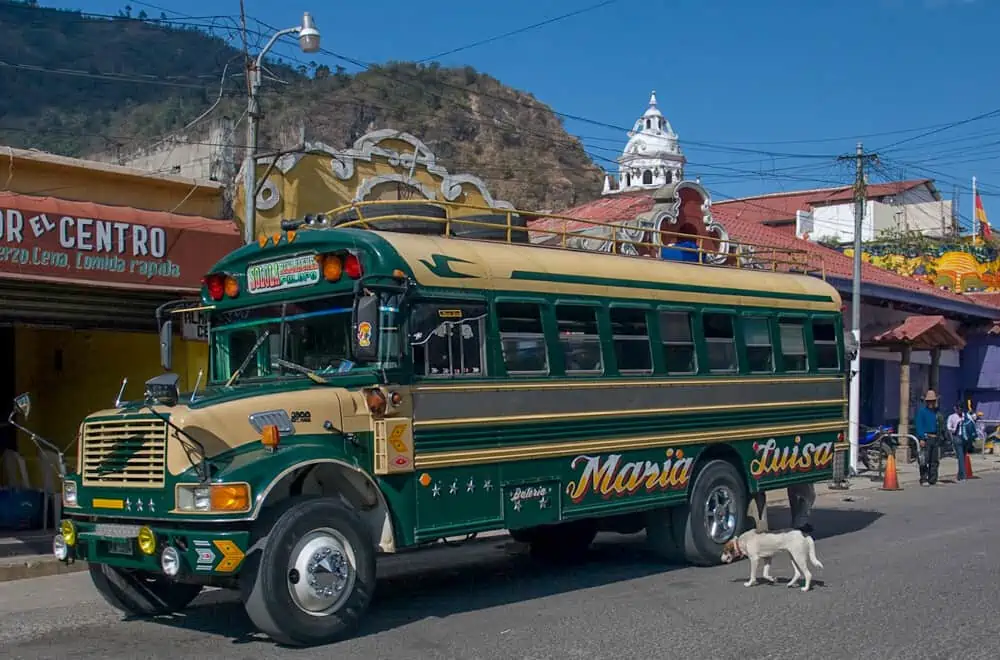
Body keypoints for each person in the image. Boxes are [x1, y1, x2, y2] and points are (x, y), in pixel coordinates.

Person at [914, 390, 943, 485]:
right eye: (929, 401)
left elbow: (941, 424)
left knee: (934, 460)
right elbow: (919, 425)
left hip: (935, 437)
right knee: (924, 460)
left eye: (933, 401)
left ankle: (933, 479)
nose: (931, 403)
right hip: (926, 437)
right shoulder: (922, 411)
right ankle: (924, 478)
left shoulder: (937, 412)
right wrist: (921, 437)